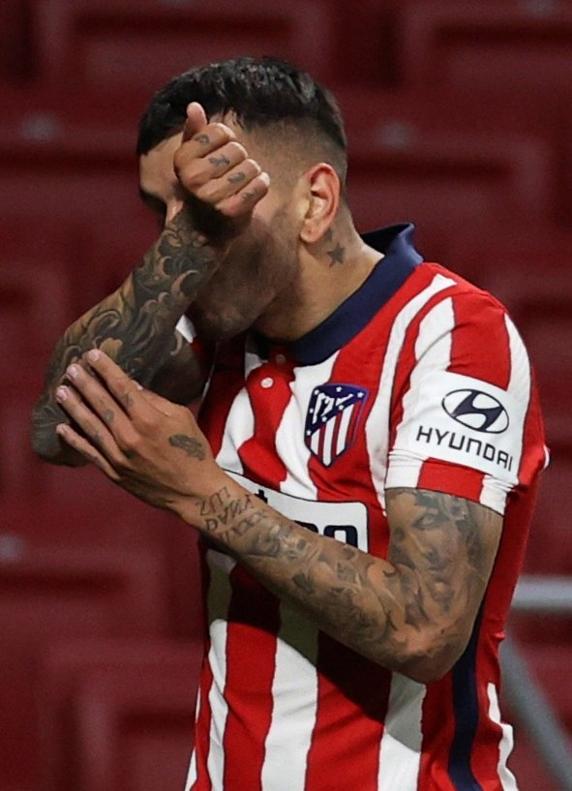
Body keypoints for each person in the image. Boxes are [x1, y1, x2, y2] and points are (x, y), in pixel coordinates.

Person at [32, 57, 546, 790]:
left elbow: (426, 628)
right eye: (164, 215)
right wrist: (188, 242)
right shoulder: (214, 342)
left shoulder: (452, 333)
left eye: (213, 209)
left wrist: (202, 493)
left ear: (314, 202)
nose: (183, 244)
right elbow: (56, 424)